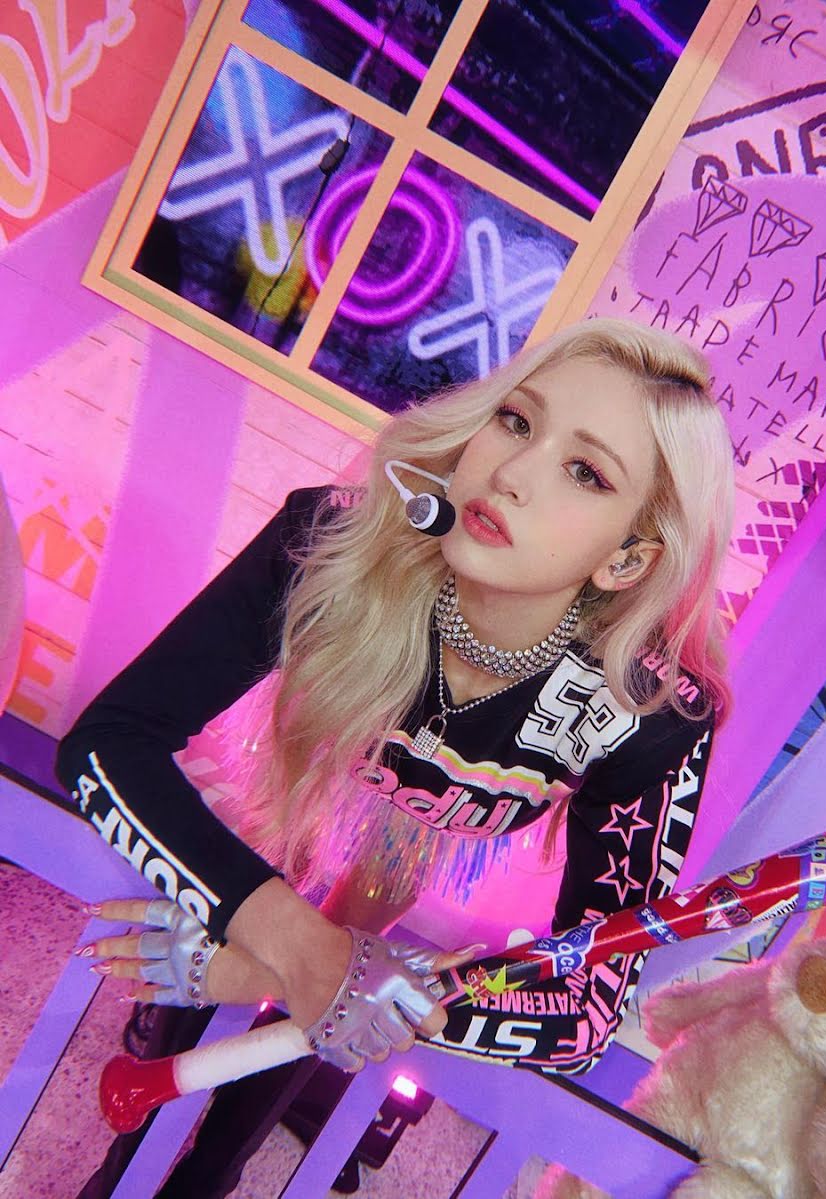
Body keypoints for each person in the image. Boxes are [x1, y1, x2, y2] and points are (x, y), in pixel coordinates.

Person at [56, 317, 734, 1194]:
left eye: (586, 472)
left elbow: (589, 1005)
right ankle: (127, 1163)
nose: (511, 473)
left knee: (336, 965)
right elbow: (106, 743)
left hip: (421, 828)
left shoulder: (651, 713)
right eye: (517, 420)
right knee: (254, 897)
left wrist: (275, 964)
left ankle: (210, 1175)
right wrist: (284, 936)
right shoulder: (334, 543)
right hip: (321, 754)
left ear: (629, 558)